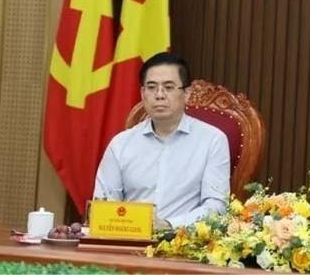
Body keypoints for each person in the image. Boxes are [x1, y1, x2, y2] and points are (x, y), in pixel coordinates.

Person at [93, 52, 230, 229]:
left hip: (183, 245)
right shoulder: (120, 144)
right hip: (127, 241)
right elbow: (103, 205)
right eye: (151, 87)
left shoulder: (212, 141)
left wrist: (168, 225)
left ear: (187, 93)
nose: (159, 95)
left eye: (169, 87)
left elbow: (217, 207)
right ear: (142, 94)